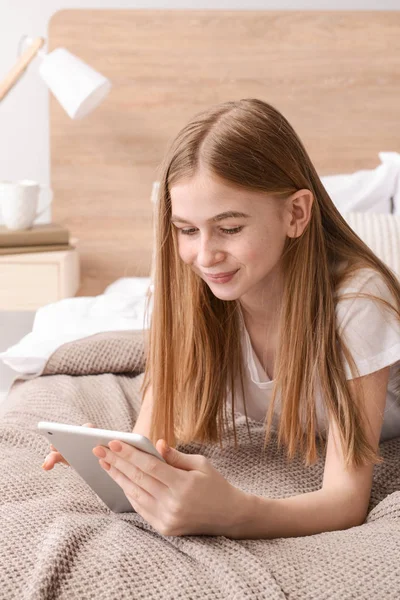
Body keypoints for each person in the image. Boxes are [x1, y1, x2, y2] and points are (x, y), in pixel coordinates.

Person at [42, 98, 400, 540]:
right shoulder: (194, 295)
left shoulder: (356, 304)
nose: (206, 256)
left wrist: (234, 512)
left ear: (296, 213)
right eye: (188, 230)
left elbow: (345, 501)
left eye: (230, 228)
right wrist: (113, 458)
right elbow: (152, 440)